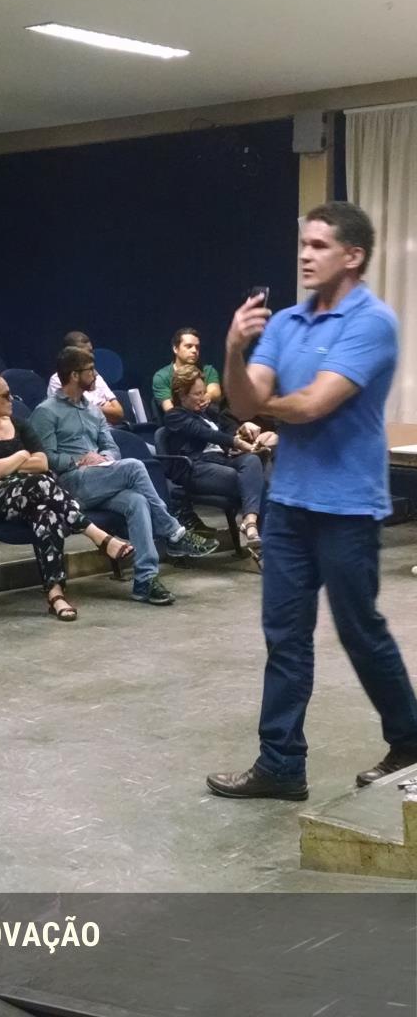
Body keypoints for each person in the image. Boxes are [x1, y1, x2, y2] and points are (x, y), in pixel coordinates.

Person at [207, 202, 417, 800]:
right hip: (291, 505)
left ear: (353, 256)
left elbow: (312, 405)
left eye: (319, 245)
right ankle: (280, 764)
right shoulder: (286, 323)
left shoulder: (372, 323)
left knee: (360, 631)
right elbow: (244, 402)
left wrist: (262, 402)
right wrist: (234, 351)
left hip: (348, 508)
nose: (305, 254)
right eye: (304, 243)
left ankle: (410, 740)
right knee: (285, 636)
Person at [30, 346, 219, 607]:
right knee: (134, 467)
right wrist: (79, 460)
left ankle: (145, 580)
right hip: (70, 484)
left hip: (101, 477)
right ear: (74, 375)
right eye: (90, 370)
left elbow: (112, 447)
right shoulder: (46, 412)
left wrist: (104, 457)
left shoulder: (93, 410)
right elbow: (46, 459)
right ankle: (174, 532)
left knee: (136, 501)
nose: (96, 375)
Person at [0, 372, 134, 620]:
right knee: (41, 483)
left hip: (36, 495)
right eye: (5, 395)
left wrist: (5, 464)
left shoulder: (19, 425)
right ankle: (100, 537)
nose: (12, 399)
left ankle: (56, 595)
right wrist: (21, 456)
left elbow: (42, 462)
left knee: (46, 514)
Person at [164, 365, 270, 561]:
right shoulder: (175, 416)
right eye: (197, 394)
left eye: (204, 392)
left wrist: (242, 430)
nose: (203, 397)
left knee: (252, 461)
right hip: (196, 467)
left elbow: (228, 431)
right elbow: (203, 433)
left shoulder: (209, 414)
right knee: (256, 483)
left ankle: (250, 522)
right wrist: (236, 442)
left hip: (222, 461)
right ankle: (262, 542)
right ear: (182, 395)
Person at [47, 331, 124, 425]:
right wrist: (105, 407)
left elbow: (118, 413)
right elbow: (75, 416)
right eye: (84, 353)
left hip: (107, 428)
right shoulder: (57, 380)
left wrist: (90, 408)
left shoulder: (94, 374)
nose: (90, 356)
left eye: (91, 351)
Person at [152, 327, 222, 414]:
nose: (194, 350)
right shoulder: (162, 376)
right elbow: (169, 409)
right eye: (189, 346)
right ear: (175, 349)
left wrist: (207, 397)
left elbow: (215, 392)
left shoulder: (208, 370)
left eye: (197, 347)